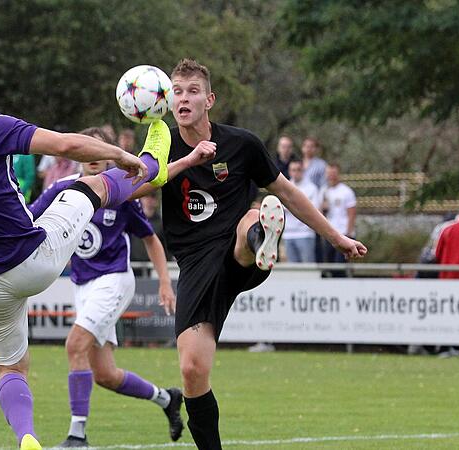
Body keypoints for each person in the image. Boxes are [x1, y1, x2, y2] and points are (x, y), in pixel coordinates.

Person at [0, 60, 211, 450]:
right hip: (33, 260)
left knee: (10, 368)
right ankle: (152, 164)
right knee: (89, 186)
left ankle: (27, 436)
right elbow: (66, 144)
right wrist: (121, 155)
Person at [130, 59, 366, 449]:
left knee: (253, 216)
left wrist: (335, 236)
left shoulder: (242, 144)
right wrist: (188, 161)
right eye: (177, 91)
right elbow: (136, 189)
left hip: (239, 253)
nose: (183, 98)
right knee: (192, 371)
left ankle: (260, 239)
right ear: (168, 100)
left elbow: (288, 192)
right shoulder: (162, 143)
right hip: (195, 265)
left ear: (210, 100)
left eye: (192, 91)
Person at [29, 127, 183, 447]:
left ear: (109, 155)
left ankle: (77, 435)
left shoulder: (119, 191)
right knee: (106, 375)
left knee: (74, 346)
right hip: (83, 285)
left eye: (101, 152)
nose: (94, 159)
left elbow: (150, 238)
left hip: (114, 280)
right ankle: (167, 399)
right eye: (88, 152)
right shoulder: (61, 188)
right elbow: (27, 220)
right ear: (78, 156)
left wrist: (165, 282)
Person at [320, 163, 357, 268]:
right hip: (330, 234)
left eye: (333, 173)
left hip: (343, 234)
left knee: (340, 265)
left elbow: (352, 214)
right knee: (329, 265)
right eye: (329, 173)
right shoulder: (324, 191)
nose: (331, 176)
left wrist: (349, 234)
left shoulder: (346, 192)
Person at [282, 159, 320, 262]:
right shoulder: (284, 187)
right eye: (293, 170)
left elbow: (314, 210)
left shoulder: (312, 188)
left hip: (305, 233)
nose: (295, 173)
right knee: (293, 272)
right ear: (289, 171)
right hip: (288, 234)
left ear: (303, 171)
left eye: (298, 170)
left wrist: (291, 206)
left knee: (307, 268)